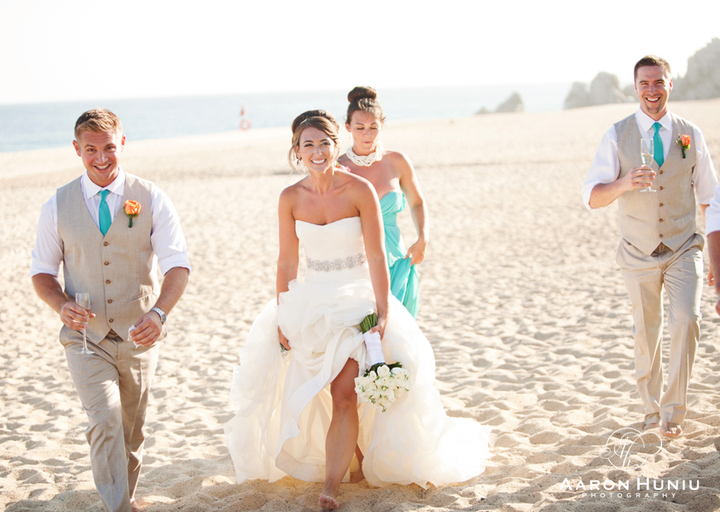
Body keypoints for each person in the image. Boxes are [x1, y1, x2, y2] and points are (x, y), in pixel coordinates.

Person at [224, 110, 488, 510]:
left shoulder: (360, 189)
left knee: (344, 390)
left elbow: (378, 256)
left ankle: (332, 484)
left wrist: (382, 310)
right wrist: (283, 312)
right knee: (320, 392)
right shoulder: (290, 198)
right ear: (296, 150)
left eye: (324, 142)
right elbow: (286, 263)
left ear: (335, 145)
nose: (317, 151)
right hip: (311, 303)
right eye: (307, 144)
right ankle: (359, 460)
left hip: (357, 300)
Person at [31, 109, 191, 512]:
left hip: (139, 334)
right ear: (76, 150)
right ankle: (117, 507)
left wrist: (159, 314)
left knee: (131, 432)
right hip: (85, 338)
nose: (101, 158)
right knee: (104, 419)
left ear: (122, 144)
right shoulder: (57, 205)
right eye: (90, 150)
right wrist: (61, 305)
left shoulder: (151, 197)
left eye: (108, 148)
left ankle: (126, 496)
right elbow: (42, 273)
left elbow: (178, 265)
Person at [582, 56, 717, 438]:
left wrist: (716, 256)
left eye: (658, 82)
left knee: (687, 321)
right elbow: (591, 197)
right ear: (635, 87)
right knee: (647, 333)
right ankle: (650, 409)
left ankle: (673, 412)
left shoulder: (691, 134)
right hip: (636, 252)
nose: (652, 90)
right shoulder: (616, 134)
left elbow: (709, 196)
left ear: (670, 84)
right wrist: (624, 184)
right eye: (644, 83)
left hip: (682, 246)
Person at [337, 86, 428, 318]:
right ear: (347, 127)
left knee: (398, 329)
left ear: (382, 126)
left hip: (396, 257)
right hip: (356, 259)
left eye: (373, 127)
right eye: (360, 128)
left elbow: (417, 202)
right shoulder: (337, 168)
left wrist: (422, 238)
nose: (367, 134)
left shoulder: (397, 161)